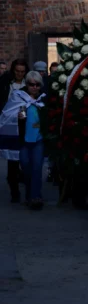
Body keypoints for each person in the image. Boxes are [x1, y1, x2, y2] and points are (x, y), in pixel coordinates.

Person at [0, 72, 45, 209]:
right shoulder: (18, 96)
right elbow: (7, 114)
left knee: (37, 168)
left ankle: (35, 197)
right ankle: (29, 195)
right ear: (27, 84)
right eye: (31, 84)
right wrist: (17, 116)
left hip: (39, 140)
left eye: (37, 84)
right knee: (26, 168)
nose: (34, 87)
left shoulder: (44, 99)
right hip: (24, 140)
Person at [0, 59, 28, 203]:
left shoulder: (28, 83)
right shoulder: (6, 83)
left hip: (24, 123)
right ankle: (14, 190)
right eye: (17, 71)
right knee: (12, 160)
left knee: (24, 157)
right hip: (9, 125)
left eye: (22, 72)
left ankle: (24, 183)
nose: (19, 74)